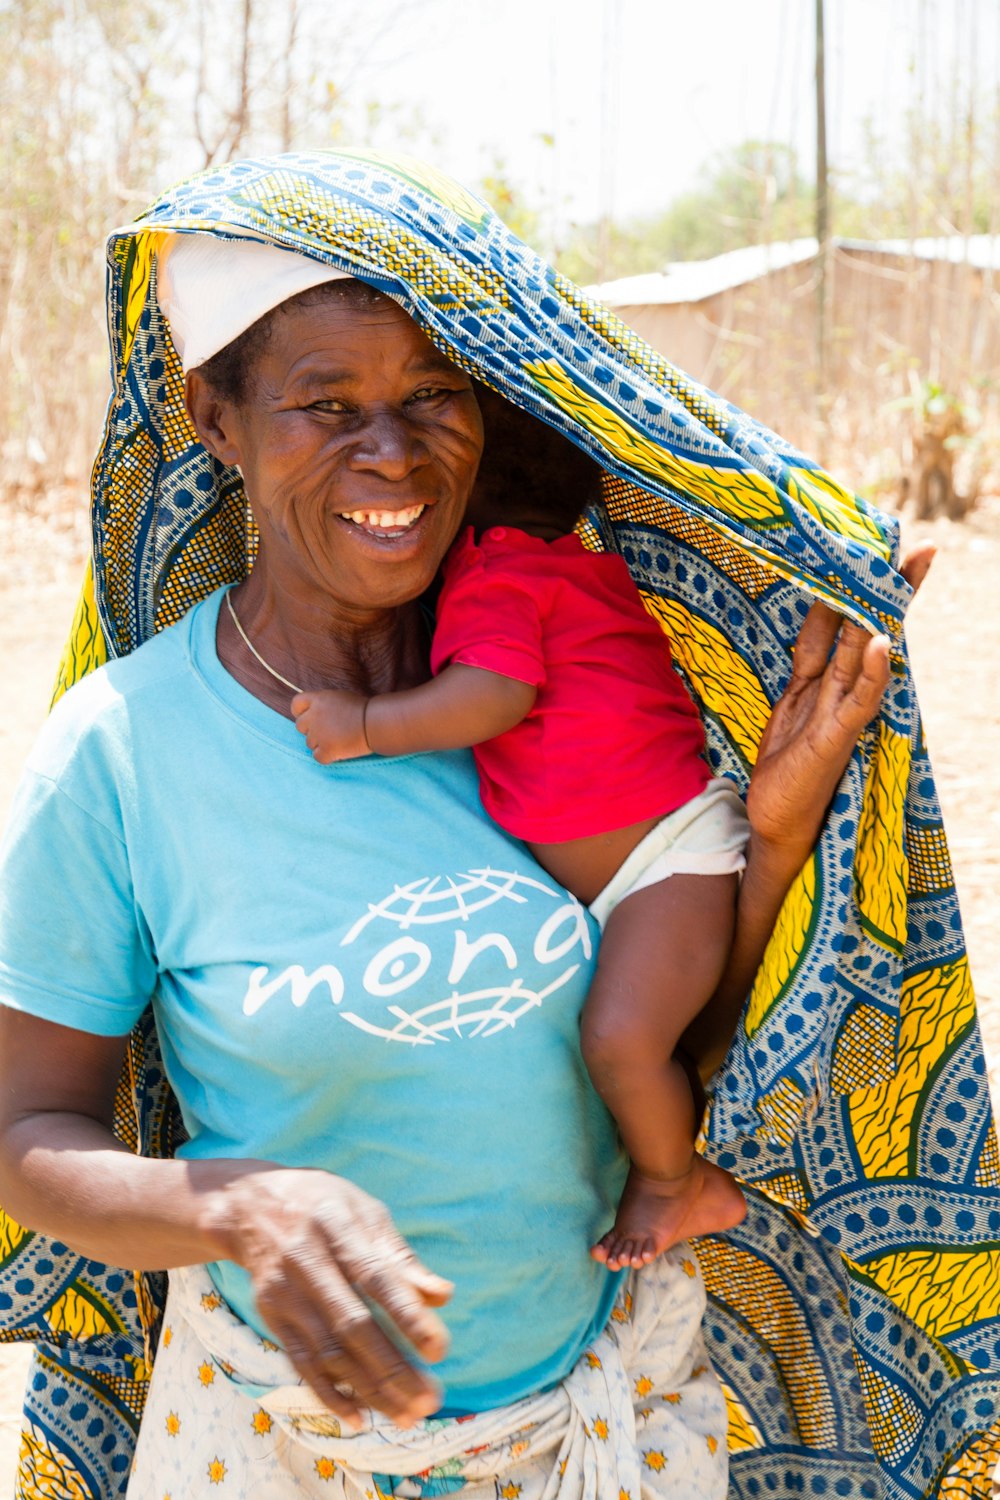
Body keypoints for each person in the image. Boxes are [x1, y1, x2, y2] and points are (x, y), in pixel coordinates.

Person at [0, 150, 957, 1500]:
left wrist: (782, 833)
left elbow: (676, 1041)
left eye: (432, 395)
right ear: (217, 418)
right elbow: (28, 1136)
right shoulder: (125, 755)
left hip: (609, 1420)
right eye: (324, 404)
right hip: (277, 1450)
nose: (390, 453)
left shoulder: (578, 683)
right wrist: (244, 1206)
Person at [291, 474, 751, 1272]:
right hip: (646, 864)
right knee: (629, 1044)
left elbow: (495, 695)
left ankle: (677, 1181)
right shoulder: (566, 561)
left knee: (619, 1043)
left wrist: (364, 725)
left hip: (667, 858)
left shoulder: (497, 574)